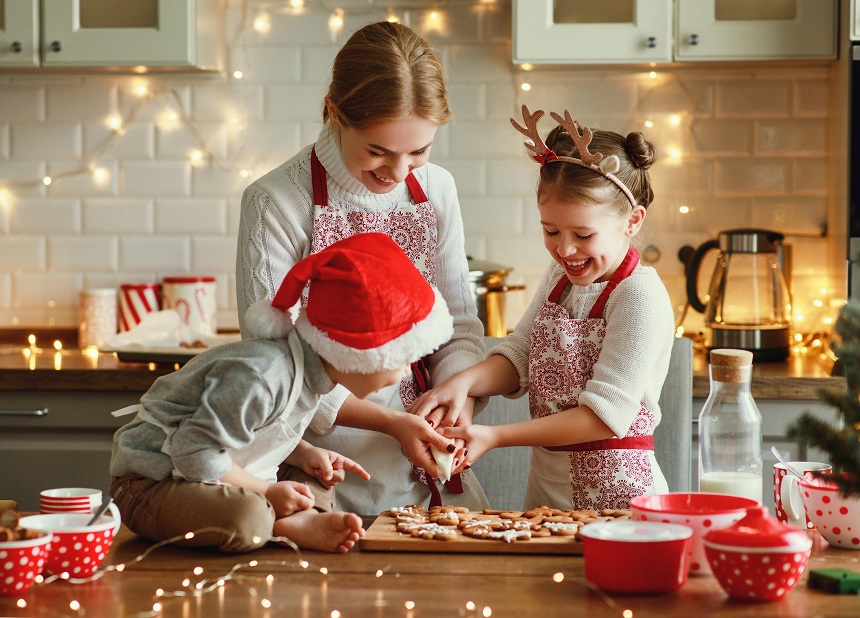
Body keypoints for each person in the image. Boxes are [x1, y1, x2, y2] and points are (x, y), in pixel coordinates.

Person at [236, 21, 488, 513]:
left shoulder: (436, 189)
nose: (398, 173)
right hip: (321, 466)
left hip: (429, 461)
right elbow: (275, 365)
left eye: (419, 152)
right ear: (334, 111)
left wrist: (458, 397)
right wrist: (390, 422)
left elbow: (458, 324)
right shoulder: (276, 201)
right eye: (378, 151)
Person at [110, 233, 456, 553]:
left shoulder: (315, 374)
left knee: (315, 482)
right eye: (402, 358)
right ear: (358, 355)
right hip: (154, 481)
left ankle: (294, 519)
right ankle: (280, 523)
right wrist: (266, 492)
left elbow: (257, 431)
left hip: (216, 472)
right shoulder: (263, 376)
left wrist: (302, 453)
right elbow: (193, 453)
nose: (407, 370)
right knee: (248, 518)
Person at [410, 105, 676, 511]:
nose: (565, 250)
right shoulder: (560, 278)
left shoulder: (639, 297)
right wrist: (460, 384)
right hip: (548, 491)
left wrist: (495, 435)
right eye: (551, 231)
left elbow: (603, 417)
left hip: (619, 498)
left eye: (583, 235)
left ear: (633, 221)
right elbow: (520, 355)